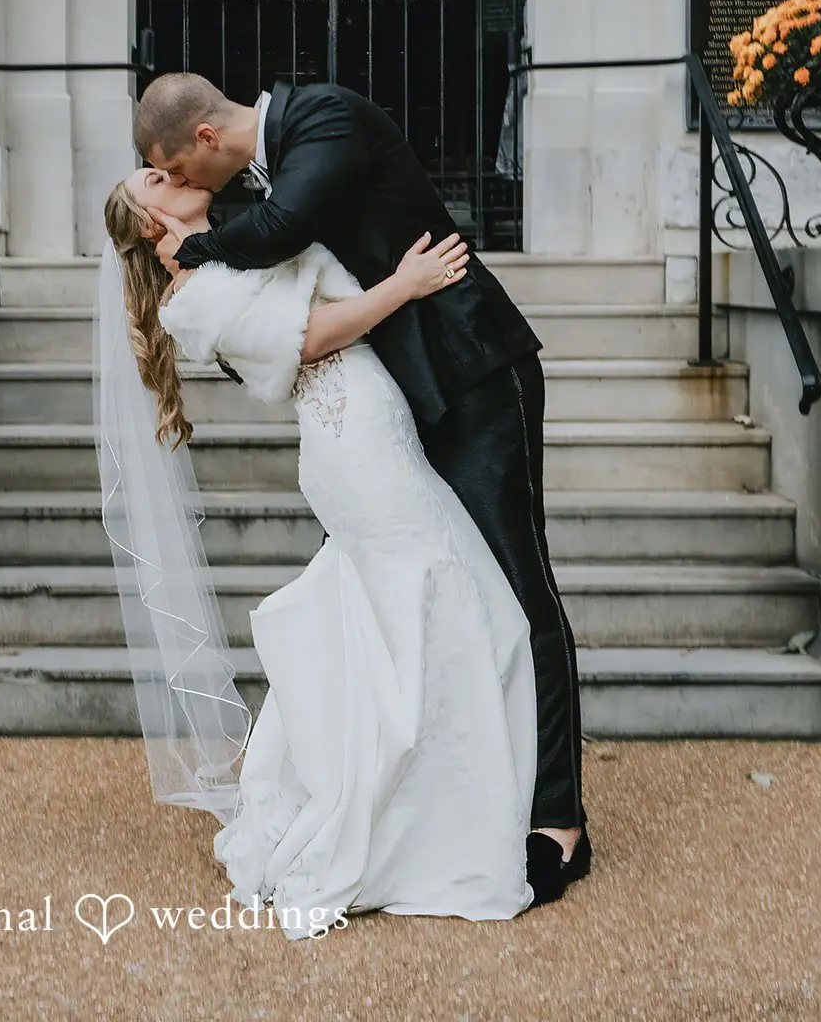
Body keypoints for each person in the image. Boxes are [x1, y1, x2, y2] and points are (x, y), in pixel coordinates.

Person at [133, 73, 590, 905]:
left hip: (473, 377)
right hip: (390, 416)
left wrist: (189, 249)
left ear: (202, 140)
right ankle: (444, 796)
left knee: (519, 591)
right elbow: (272, 329)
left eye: (178, 172)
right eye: (164, 188)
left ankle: (556, 814)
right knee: (408, 610)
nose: (189, 190)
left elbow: (282, 231)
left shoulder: (323, 120)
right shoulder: (239, 224)